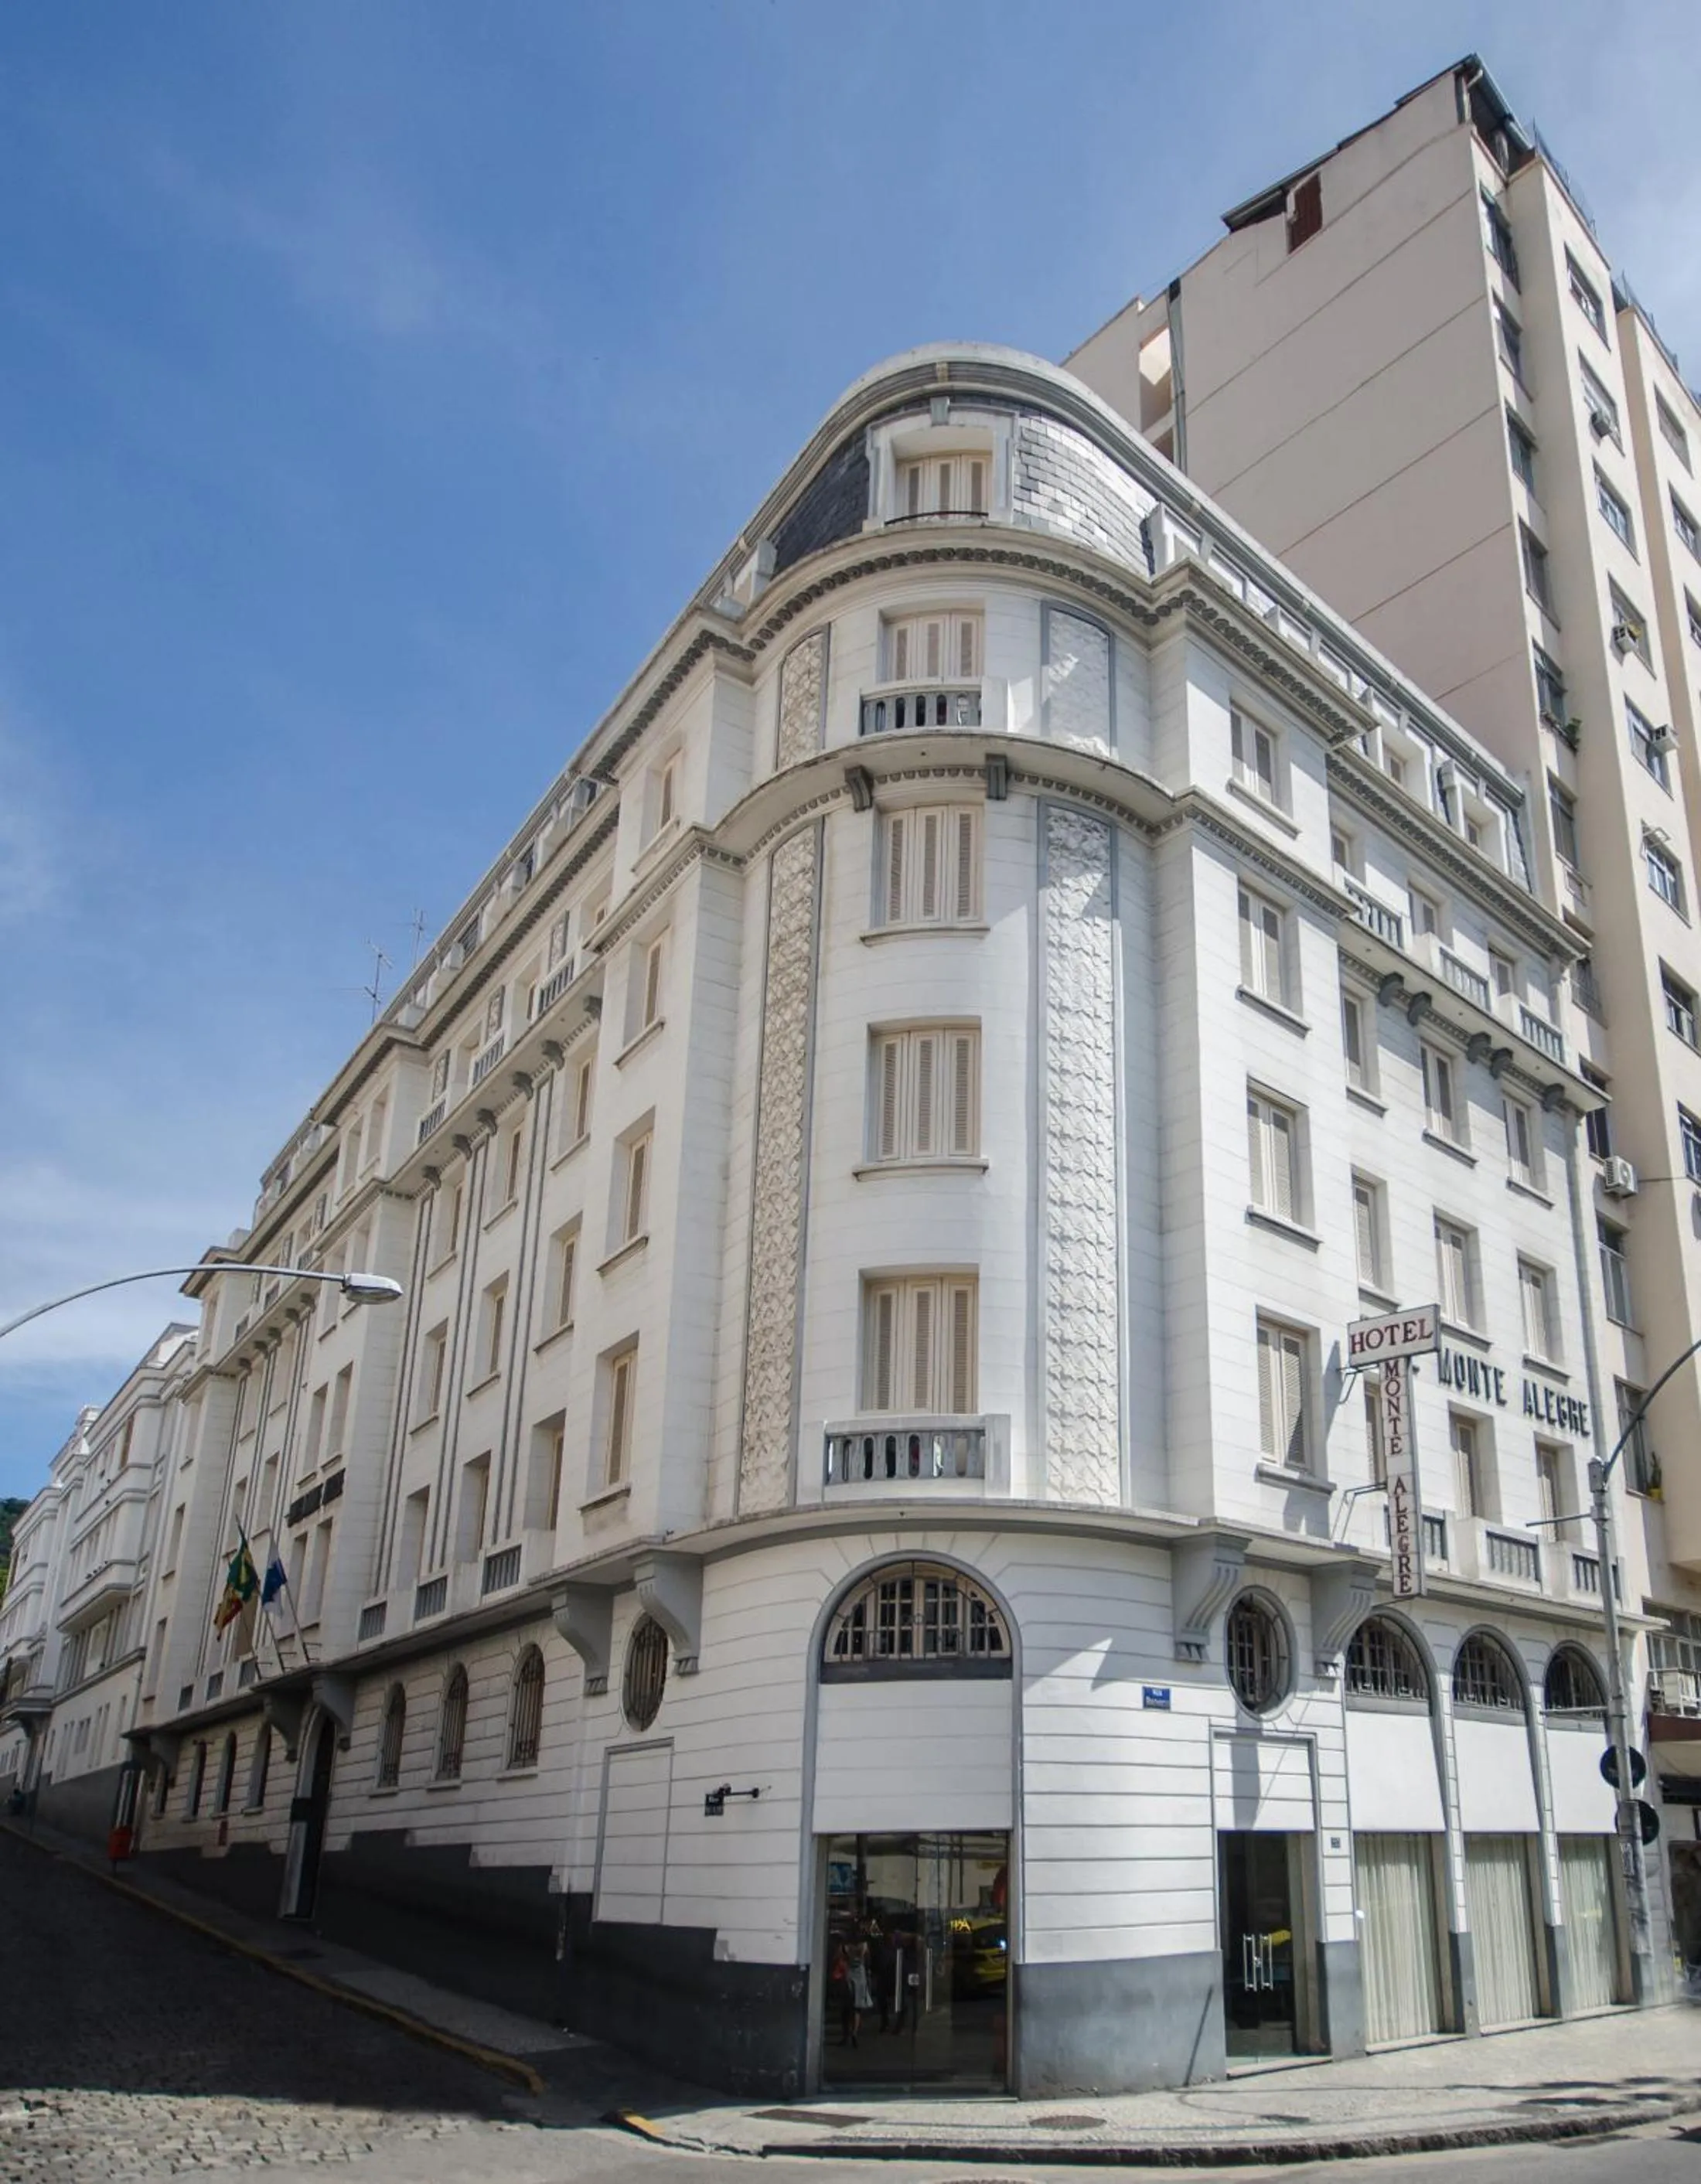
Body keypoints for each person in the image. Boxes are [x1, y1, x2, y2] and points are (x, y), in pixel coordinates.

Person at [841, 1930, 874, 2047]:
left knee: (846, 2006)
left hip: (849, 1973)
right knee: (857, 2007)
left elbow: (841, 1959)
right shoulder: (864, 1946)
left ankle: (846, 2035)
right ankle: (854, 2033)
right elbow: (868, 1961)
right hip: (860, 1975)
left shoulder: (846, 1947)